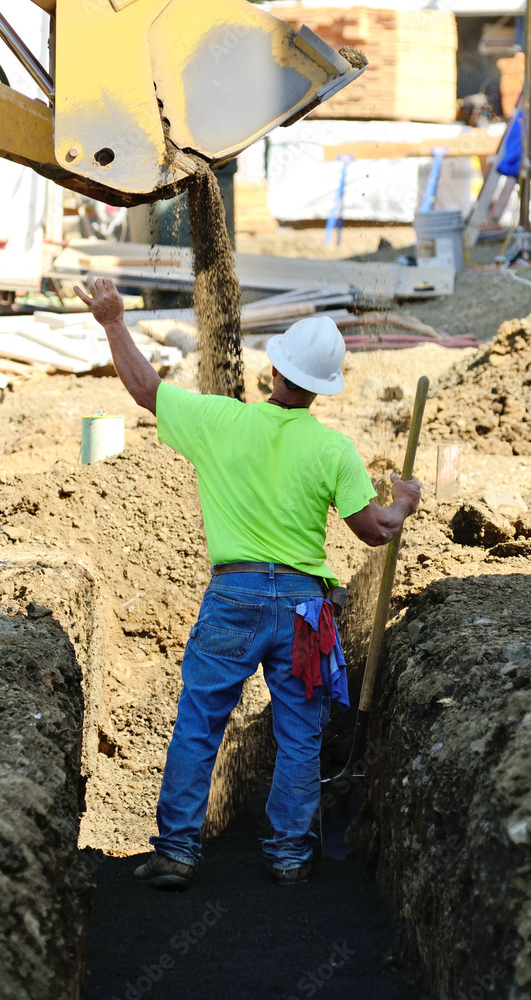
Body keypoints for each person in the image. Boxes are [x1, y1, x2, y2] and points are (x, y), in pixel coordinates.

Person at [74, 276, 421, 890]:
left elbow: (145, 389)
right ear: (324, 388)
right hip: (304, 612)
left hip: (232, 598)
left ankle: (177, 852)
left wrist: (113, 322)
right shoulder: (335, 449)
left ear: (275, 370)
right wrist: (404, 503)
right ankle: (288, 854)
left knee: (200, 721)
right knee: (299, 732)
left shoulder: (218, 421)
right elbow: (374, 531)